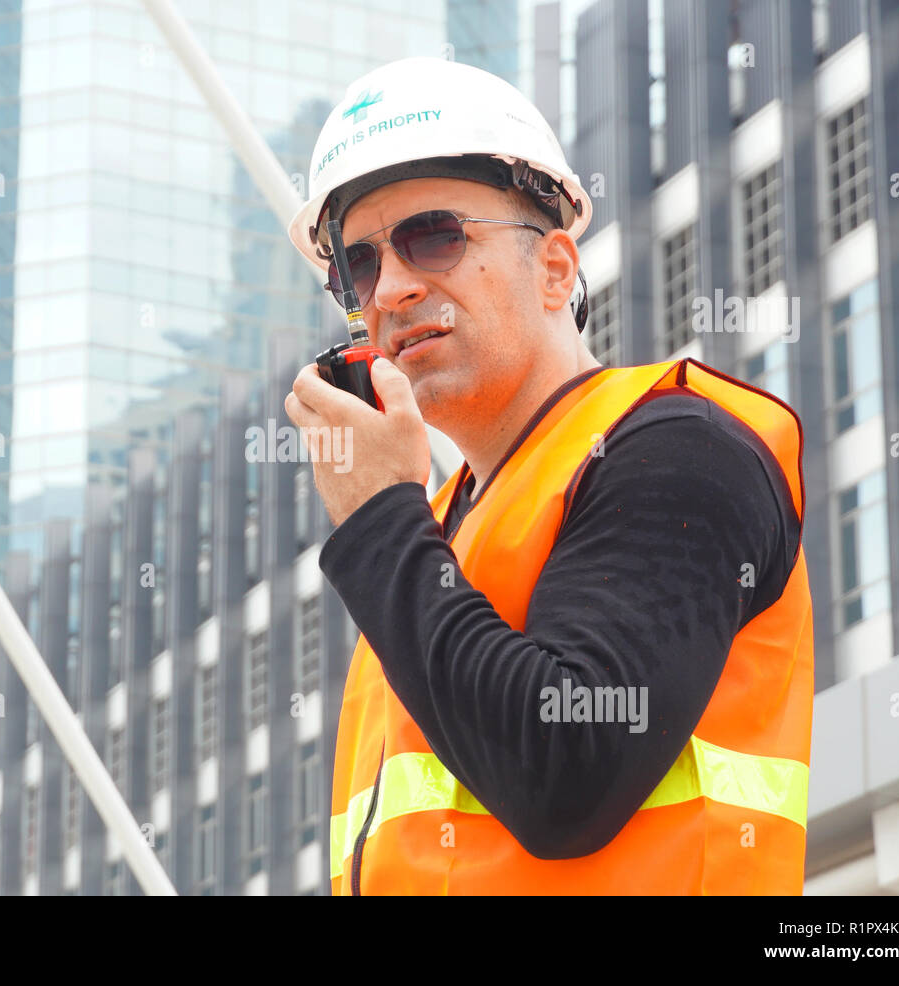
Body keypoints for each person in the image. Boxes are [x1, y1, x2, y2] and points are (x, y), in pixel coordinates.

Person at [283, 56, 814, 895]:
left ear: (557, 268)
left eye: (434, 235)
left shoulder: (680, 447)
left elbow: (569, 771)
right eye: (356, 266)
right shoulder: (436, 535)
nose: (390, 288)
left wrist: (382, 520)